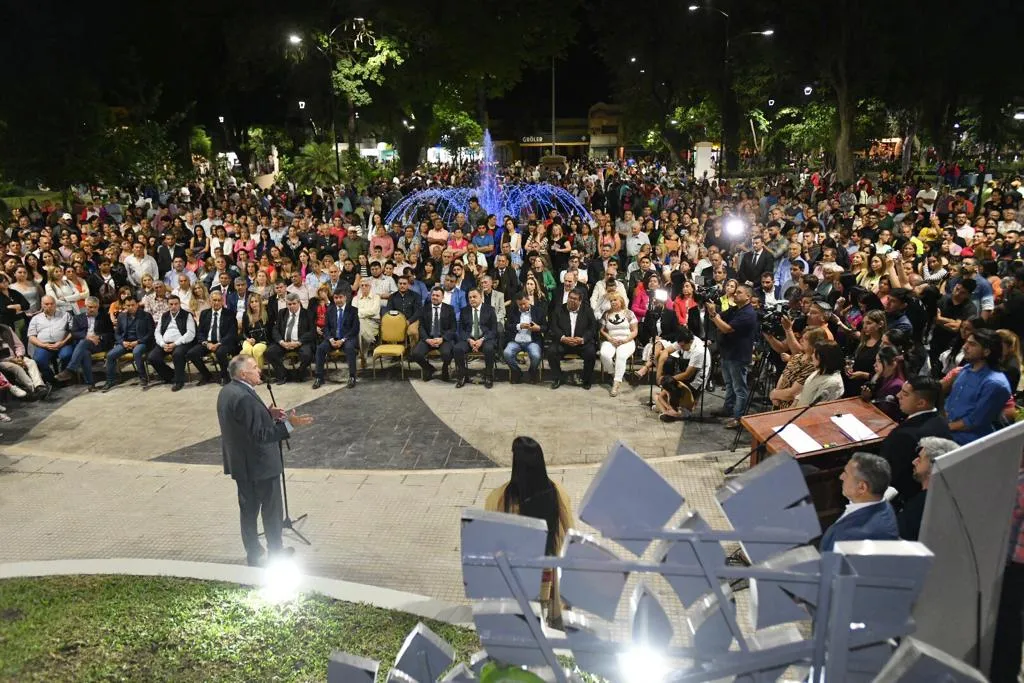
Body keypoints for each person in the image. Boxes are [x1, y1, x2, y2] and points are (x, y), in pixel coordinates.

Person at [218, 354, 313, 567]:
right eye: (254, 367)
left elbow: (243, 424)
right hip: (260, 466)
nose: (259, 369)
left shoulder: (227, 392)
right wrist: (290, 425)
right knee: (271, 510)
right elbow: (260, 435)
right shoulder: (244, 397)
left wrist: (267, 414)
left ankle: (254, 553)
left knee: (248, 511)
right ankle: (276, 553)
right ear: (243, 374)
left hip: (241, 465)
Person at [484, 436, 572, 628]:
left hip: (517, 576)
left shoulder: (499, 498)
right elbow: (571, 534)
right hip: (547, 575)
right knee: (544, 618)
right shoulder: (557, 493)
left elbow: (491, 540)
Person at [879, 377, 953, 508]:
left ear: (921, 403)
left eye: (905, 394)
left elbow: (892, 473)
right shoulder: (941, 421)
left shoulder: (905, 435)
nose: (898, 396)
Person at [819, 452, 900, 552]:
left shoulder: (849, 536)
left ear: (862, 487)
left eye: (846, 474)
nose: (841, 477)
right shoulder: (882, 503)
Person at [945, 328, 1013, 444]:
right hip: (949, 429)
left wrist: (944, 428)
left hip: (969, 441)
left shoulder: (995, 383)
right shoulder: (966, 369)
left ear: (986, 352)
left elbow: (974, 421)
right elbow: (950, 403)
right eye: (966, 342)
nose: (965, 347)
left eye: (972, 344)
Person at [706, 283, 758, 429]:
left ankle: (738, 417)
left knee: (739, 388)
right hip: (728, 352)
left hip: (738, 355)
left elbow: (726, 328)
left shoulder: (748, 313)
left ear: (748, 297)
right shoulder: (736, 309)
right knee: (729, 384)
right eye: (736, 292)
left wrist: (714, 315)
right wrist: (712, 311)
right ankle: (728, 408)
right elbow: (720, 317)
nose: (735, 294)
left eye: (739, 293)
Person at [991, 463, 1024, 683]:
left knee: (1008, 622)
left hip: (1016, 565)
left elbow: (1007, 523)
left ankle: (1003, 675)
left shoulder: (1020, 483)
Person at [896, 437, 958, 542]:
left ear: (933, 466)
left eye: (920, 459)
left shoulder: (919, 506)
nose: (914, 461)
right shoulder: (953, 495)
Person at [54, 297, 113, 389]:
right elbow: (74, 333)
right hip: (85, 345)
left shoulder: (104, 317)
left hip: (99, 344)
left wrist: (99, 337)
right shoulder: (78, 318)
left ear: (98, 307)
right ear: (85, 306)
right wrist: (87, 337)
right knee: (85, 351)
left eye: (94, 307)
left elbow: (111, 333)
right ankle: (90, 384)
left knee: (83, 343)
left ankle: (70, 370)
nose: (92, 309)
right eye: (89, 307)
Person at [547, 289, 598, 390]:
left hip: (580, 342)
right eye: (570, 298)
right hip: (564, 342)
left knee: (591, 353)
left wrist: (583, 339)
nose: (571, 300)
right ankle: (558, 377)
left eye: (575, 299)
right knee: (551, 352)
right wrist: (563, 338)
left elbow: (592, 328)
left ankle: (586, 379)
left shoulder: (587, 310)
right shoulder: (558, 309)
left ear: (580, 301)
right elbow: (553, 326)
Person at [187, 291, 239, 386]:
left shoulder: (229, 314)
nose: (216, 302)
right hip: (208, 342)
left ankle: (224, 376)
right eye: (214, 300)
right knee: (192, 353)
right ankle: (207, 375)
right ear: (210, 301)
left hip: (223, 342)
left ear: (222, 301)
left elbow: (232, 333)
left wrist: (219, 343)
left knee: (220, 352)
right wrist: (206, 343)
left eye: (219, 300)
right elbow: (200, 332)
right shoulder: (204, 313)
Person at [103, 297, 153, 391]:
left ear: (137, 305)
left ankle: (143, 377)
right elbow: (117, 333)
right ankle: (110, 380)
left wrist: (138, 342)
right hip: (125, 342)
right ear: (125, 306)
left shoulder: (146, 315)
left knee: (137, 352)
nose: (131, 307)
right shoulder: (121, 316)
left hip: (140, 342)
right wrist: (122, 342)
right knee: (110, 355)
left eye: (133, 305)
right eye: (128, 305)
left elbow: (150, 333)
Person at [657, 326, 707, 421]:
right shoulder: (682, 340)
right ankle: (670, 409)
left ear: (690, 342)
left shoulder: (699, 351)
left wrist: (666, 380)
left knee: (669, 385)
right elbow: (666, 351)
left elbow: (688, 374)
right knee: (661, 392)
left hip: (695, 380)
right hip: (685, 371)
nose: (681, 348)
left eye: (683, 346)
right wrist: (659, 374)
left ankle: (675, 410)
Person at [148, 294, 196, 391]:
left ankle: (179, 381)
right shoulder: (164, 315)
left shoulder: (187, 315)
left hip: (181, 343)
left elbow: (190, 333)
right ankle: (170, 376)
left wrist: (175, 344)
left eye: (176, 304)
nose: (173, 306)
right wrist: (162, 344)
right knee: (152, 357)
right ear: (168, 305)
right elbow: (157, 332)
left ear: (179, 304)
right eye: (171, 304)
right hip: (165, 343)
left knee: (178, 354)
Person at [264, 293, 315, 385]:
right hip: (284, 343)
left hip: (300, 342)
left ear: (299, 302)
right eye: (289, 304)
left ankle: (299, 374)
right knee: (270, 352)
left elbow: (311, 332)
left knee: (308, 354)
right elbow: (275, 329)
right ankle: (283, 374)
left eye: (294, 304)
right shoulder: (282, 313)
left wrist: (299, 342)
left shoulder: (307, 313)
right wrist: (281, 342)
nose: (291, 306)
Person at [313, 290, 359, 389]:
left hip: (347, 338)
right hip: (332, 339)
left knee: (350, 348)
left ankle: (352, 377)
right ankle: (319, 377)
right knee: (320, 348)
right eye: (336, 298)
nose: (338, 300)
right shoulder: (330, 310)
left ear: (345, 298)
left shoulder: (353, 310)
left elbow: (355, 329)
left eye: (340, 297)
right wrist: (330, 339)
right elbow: (326, 328)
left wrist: (342, 340)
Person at [410, 286, 457, 381]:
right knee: (415, 354)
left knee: (447, 353)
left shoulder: (449, 309)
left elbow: (453, 328)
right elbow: (421, 327)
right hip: (428, 338)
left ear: (442, 297)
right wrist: (427, 339)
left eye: (437, 295)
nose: (434, 297)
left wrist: (442, 339)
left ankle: (445, 368)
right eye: (433, 295)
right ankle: (428, 368)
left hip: (443, 339)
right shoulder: (424, 309)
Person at [454, 289, 498, 388]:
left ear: (481, 297)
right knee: (457, 349)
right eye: (470, 297)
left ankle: (488, 376)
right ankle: (463, 375)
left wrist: (482, 340)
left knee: (489, 349)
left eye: (474, 297)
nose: (472, 299)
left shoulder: (490, 309)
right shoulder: (465, 310)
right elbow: (461, 330)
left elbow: (493, 330)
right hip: (469, 339)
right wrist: (469, 340)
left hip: (485, 339)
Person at [26, 295, 73, 384]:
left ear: (55, 304)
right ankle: (52, 380)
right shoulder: (36, 318)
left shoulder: (65, 315)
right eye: (47, 304)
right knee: (39, 360)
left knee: (66, 355)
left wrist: (63, 342)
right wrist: (43, 345)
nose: (50, 306)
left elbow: (72, 331)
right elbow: (31, 336)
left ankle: (64, 377)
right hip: (44, 345)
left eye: (52, 304)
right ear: (42, 305)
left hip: (62, 344)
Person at [598, 292, 638, 397]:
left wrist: (626, 340)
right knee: (604, 354)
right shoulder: (606, 314)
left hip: (627, 340)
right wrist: (609, 338)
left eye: (615, 300)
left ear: (621, 301)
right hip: (611, 340)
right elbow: (602, 330)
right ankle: (613, 373)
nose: (613, 302)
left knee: (621, 355)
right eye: (611, 301)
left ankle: (616, 383)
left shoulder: (629, 313)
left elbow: (634, 331)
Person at [503, 292, 546, 383]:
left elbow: (546, 327)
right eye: (520, 304)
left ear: (529, 300)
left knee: (536, 355)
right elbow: (507, 326)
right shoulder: (513, 311)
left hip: (532, 340)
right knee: (506, 353)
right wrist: (519, 326)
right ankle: (517, 372)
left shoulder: (538, 311)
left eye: (524, 304)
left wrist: (538, 328)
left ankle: (532, 371)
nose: (522, 306)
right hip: (516, 341)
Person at [794, 340, 846, 407]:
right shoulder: (818, 371)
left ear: (823, 358)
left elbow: (815, 408)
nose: (812, 356)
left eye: (814, 353)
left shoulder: (832, 383)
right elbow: (803, 393)